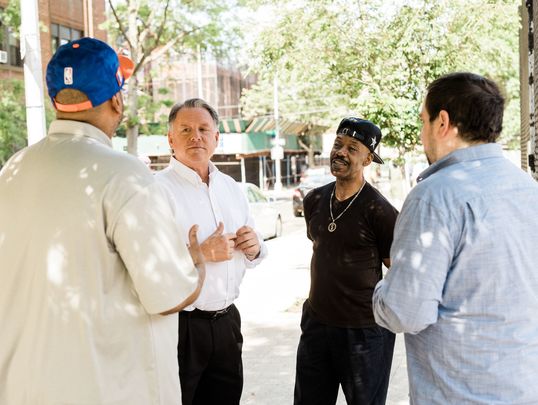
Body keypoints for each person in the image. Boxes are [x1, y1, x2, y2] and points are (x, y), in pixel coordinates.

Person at [0, 37, 204, 405]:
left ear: (56, 102)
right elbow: (169, 294)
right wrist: (196, 263)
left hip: (22, 389)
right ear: (116, 99)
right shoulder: (124, 174)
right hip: (106, 389)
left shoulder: (12, 171)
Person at [373, 72, 538, 404]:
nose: (423, 135)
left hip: (458, 395)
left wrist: (381, 290)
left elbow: (405, 312)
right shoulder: (528, 190)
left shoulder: (433, 196)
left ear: (442, 123)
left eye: (424, 122)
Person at [155, 98, 267, 405]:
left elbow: (255, 251)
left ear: (216, 137)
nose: (196, 136)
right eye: (186, 129)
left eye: (204, 129)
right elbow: (148, 267)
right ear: (170, 138)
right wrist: (199, 253)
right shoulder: (155, 190)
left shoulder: (231, 187)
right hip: (181, 329)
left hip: (228, 323)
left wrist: (255, 246)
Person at [294, 117, 398, 405]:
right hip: (316, 325)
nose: (341, 152)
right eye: (338, 144)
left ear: (367, 159)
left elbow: (399, 272)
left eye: (353, 148)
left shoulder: (380, 210)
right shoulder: (314, 199)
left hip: (364, 335)